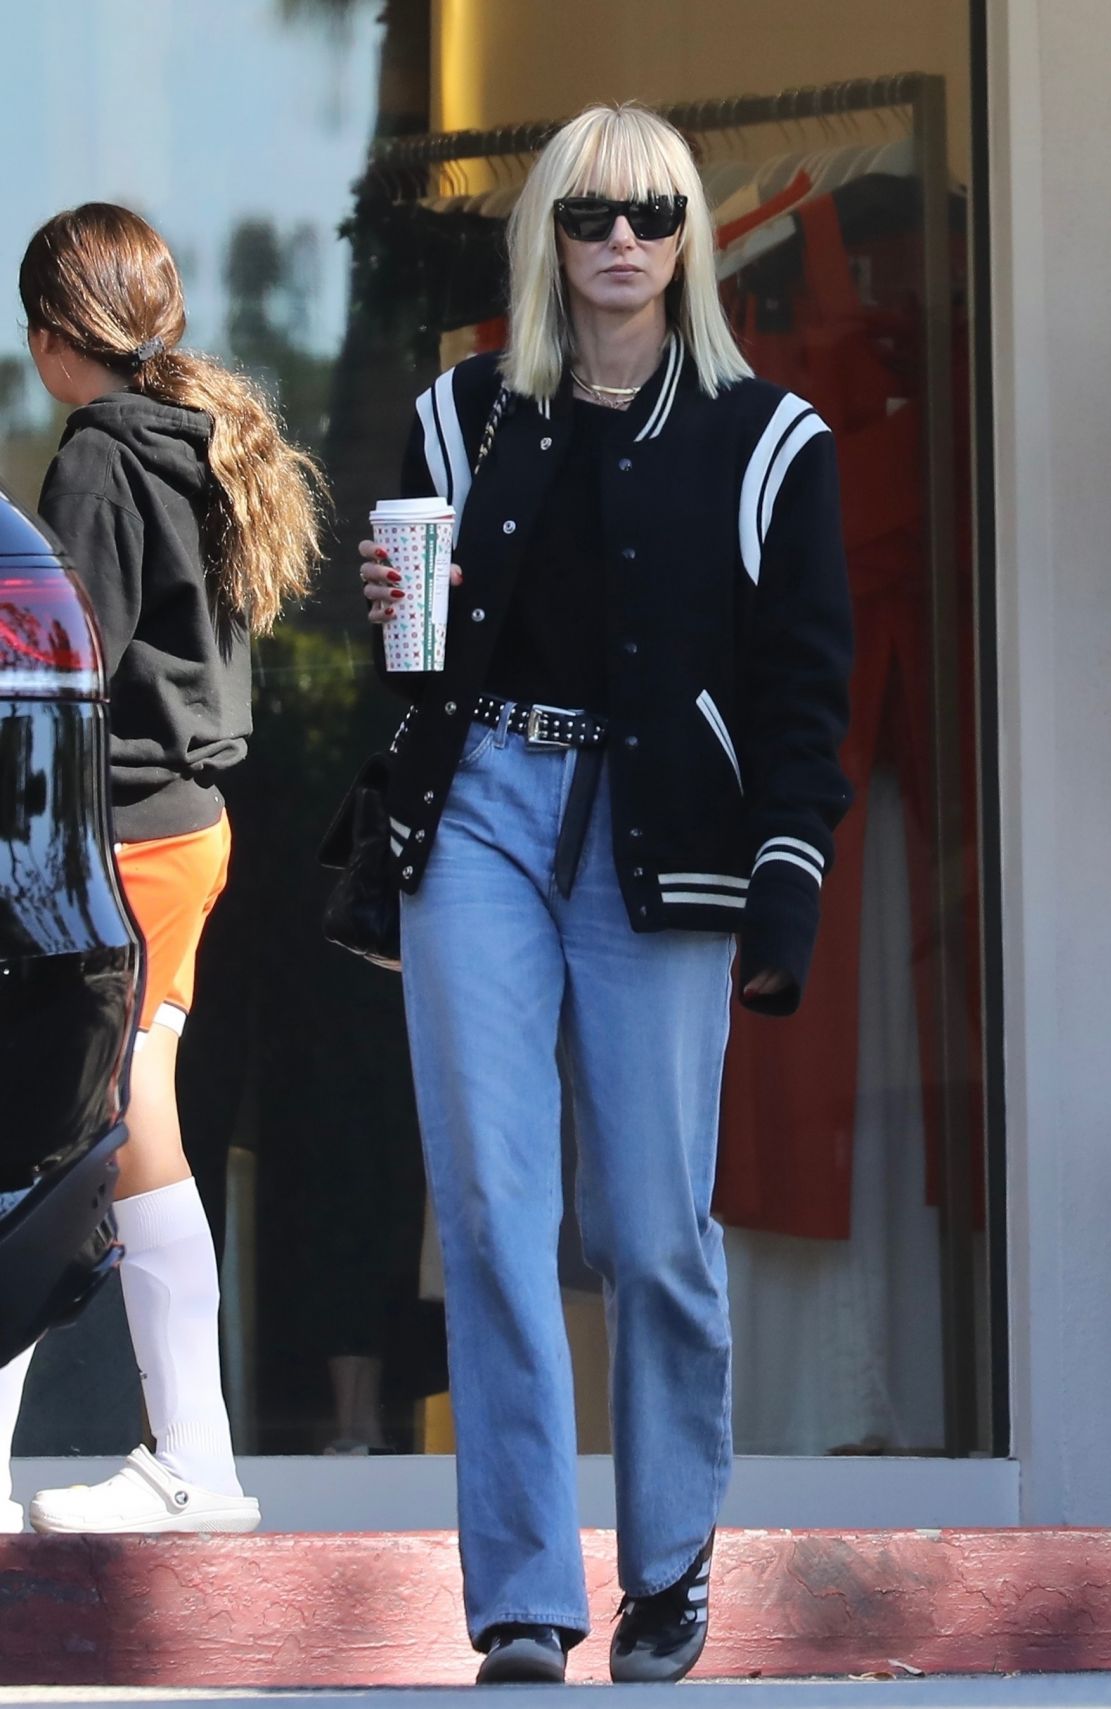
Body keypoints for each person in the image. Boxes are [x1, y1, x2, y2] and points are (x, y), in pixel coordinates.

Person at [356, 103, 853, 1684]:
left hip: (663, 837)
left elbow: (804, 688)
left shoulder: (766, 439)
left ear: (691, 232)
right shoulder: (461, 420)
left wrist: (785, 890)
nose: (620, 238)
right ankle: (517, 1597)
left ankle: (668, 1564)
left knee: (651, 1224)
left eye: (650, 211)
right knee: (497, 1212)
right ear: (549, 238)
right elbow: (427, 669)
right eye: (589, 215)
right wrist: (398, 625)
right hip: (488, 814)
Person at [0, 202, 325, 1535]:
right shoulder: (201, 446)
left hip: (107, 842)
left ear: (49, 338)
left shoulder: (93, 459)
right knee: (113, 1128)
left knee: (51, 1130)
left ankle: (198, 1459)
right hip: (183, 830)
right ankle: (198, 1456)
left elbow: (64, 670)